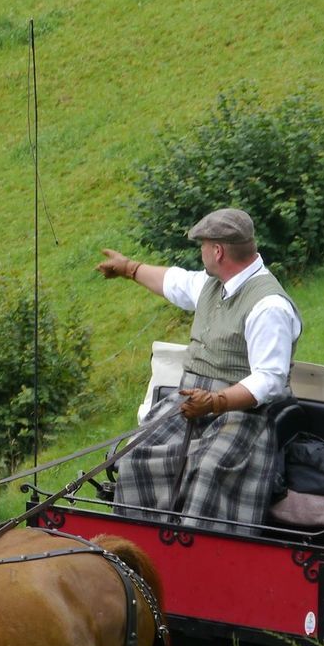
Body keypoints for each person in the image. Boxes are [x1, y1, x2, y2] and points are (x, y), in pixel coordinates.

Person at [96, 208, 301, 526]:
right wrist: (129, 268)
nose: (201, 251)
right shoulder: (213, 284)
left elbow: (270, 380)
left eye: (203, 245)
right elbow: (174, 282)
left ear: (218, 251)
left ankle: (196, 557)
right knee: (133, 456)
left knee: (207, 469)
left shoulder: (268, 305)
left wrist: (216, 402)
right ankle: (140, 550)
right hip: (191, 402)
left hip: (243, 415)